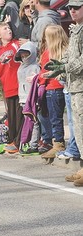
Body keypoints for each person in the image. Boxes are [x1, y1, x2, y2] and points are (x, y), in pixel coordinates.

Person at [45, 0, 83, 185]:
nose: (72, 11)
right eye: (70, 8)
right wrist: (57, 67)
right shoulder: (76, 30)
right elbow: (69, 55)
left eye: (77, 7)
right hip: (74, 85)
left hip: (82, 85)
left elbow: (81, 61)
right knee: (78, 128)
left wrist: (65, 67)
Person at [0, 22, 22, 153]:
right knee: (11, 117)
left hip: (20, 88)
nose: (9, 30)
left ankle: (19, 142)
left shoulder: (17, 45)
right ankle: (12, 140)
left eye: (9, 27)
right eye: (5, 29)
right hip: (7, 90)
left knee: (20, 116)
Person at [38, 24, 68, 159]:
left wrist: (38, 80)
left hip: (52, 89)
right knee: (62, 117)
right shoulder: (65, 51)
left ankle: (58, 143)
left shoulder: (47, 53)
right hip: (64, 88)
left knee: (54, 118)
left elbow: (44, 74)